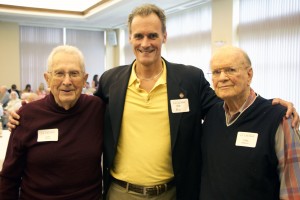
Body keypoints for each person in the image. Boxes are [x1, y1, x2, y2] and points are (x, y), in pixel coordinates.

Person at [7, 4, 300, 200]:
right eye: (138, 36)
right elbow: (77, 109)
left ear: (164, 37)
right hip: (119, 193)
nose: (145, 42)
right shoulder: (112, 81)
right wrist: (27, 113)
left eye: (152, 35)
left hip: (172, 193)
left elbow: (228, 103)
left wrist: (269, 105)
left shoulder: (190, 79)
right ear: (130, 40)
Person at [0, 45, 105, 199]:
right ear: (47, 78)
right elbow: (9, 177)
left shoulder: (97, 109)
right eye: (59, 73)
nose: (67, 81)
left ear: (85, 79)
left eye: (74, 73)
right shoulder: (27, 116)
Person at [200, 46, 300, 200]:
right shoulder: (211, 115)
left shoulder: (279, 118)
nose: (222, 78)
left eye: (230, 70)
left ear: (249, 74)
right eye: (216, 72)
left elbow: (293, 190)